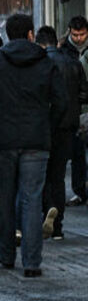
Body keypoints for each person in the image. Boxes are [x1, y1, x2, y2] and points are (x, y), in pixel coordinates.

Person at [0, 13, 67, 278]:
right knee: (32, 200)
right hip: (36, 140)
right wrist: (46, 122)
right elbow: (62, 101)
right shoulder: (46, 61)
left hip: (2, 138)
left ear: (7, 34)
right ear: (31, 34)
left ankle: (6, 254)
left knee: (5, 198)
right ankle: (31, 262)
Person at [36, 25, 88, 240]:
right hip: (67, 127)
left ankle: (47, 209)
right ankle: (58, 227)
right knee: (58, 176)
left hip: (43, 127)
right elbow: (85, 94)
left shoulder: (39, 64)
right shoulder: (73, 63)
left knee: (41, 175)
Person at [59, 15, 88, 206]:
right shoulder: (64, 49)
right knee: (77, 153)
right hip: (74, 108)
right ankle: (79, 191)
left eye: (83, 34)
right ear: (70, 31)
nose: (79, 38)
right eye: (76, 34)